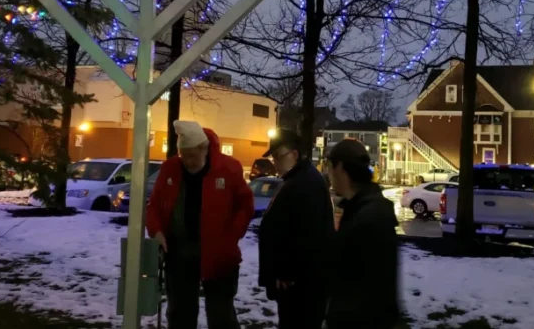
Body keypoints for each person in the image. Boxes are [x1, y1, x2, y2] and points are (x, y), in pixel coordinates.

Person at [146, 120, 255, 329]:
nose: (187, 161)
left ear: (204, 149)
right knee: (179, 313)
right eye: (183, 155)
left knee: (221, 314)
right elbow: (155, 206)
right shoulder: (171, 168)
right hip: (179, 254)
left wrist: (231, 237)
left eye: (192, 156)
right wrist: (156, 231)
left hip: (220, 255)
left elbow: (245, 205)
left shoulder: (228, 168)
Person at [258, 130, 334, 329]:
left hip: (301, 288)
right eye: (273, 157)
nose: (275, 162)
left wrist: (287, 273)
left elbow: (306, 236)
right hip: (297, 285)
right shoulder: (297, 180)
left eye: (278, 156)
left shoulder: (305, 183)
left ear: (295, 154)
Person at [326, 138, 400, 329]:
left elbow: (365, 285)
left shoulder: (368, 217)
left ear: (340, 167)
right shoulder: (361, 207)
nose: (328, 174)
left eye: (329, 167)